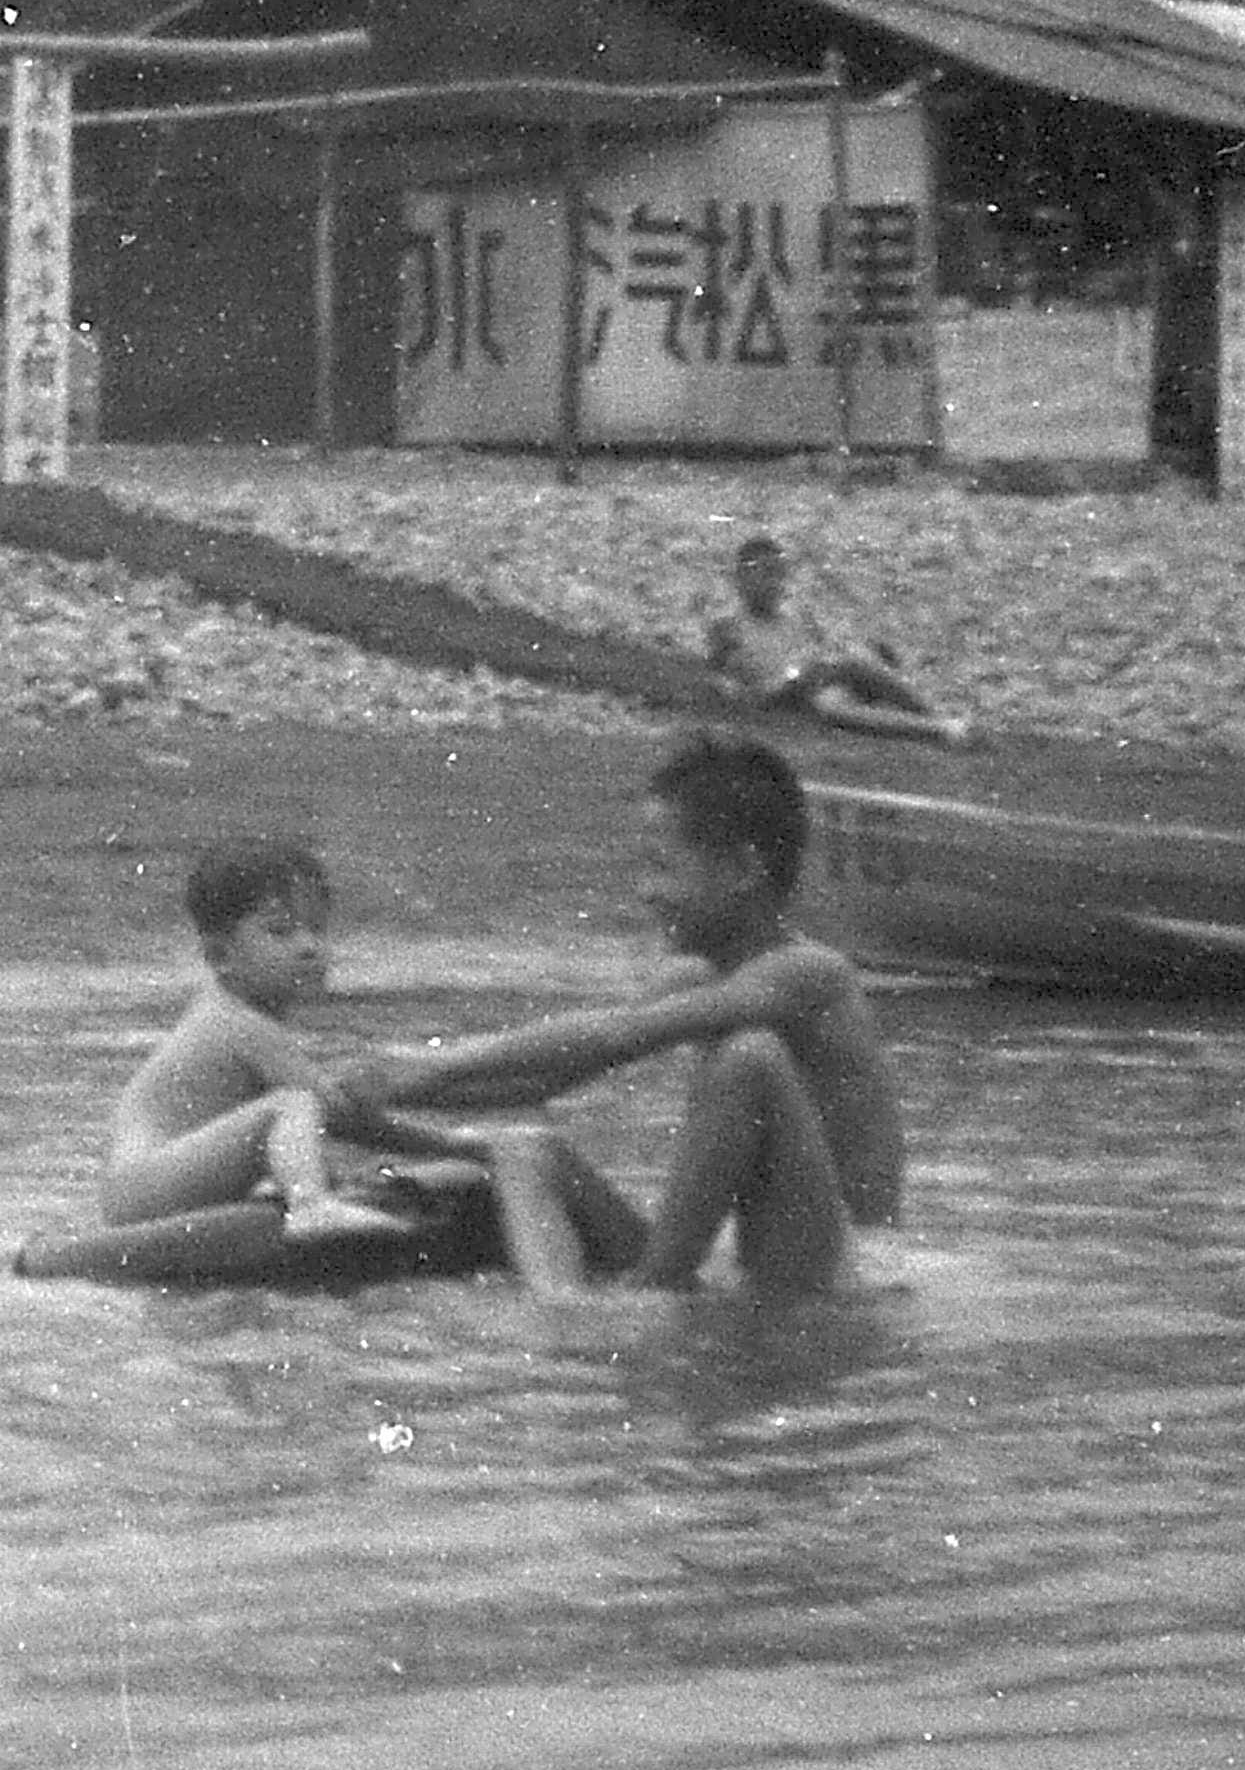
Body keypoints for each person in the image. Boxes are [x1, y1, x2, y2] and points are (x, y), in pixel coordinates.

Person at [332, 728, 906, 1296]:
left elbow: (616, 1033)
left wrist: (432, 1063)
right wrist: (371, 1095)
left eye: (661, 867)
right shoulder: (698, 977)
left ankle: (652, 1293)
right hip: (745, 1253)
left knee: (747, 1058)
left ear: (741, 872)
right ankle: (561, 1313)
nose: (645, 892)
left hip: (843, 1264)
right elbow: (550, 1075)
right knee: (528, 1149)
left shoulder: (810, 974)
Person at [103, 838, 640, 1279]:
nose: (310, 947)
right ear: (220, 956)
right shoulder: (235, 1021)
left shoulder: (245, 1018)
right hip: (145, 1188)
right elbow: (338, 1115)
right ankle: (310, 1205)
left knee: (291, 1113)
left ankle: (312, 1195)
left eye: (317, 929)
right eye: (281, 931)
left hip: (153, 1185)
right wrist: (461, 1147)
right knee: (289, 1106)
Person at [702, 531, 970, 747]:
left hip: (820, 676)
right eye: (764, 574)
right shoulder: (728, 625)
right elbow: (722, 677)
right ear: (740, 579)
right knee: (830, 706)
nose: (774, 584)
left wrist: (824, 661)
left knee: (856, 664)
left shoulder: (796, 615)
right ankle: (935, 729)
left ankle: (939, 717)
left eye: (779, 574)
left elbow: (823, 648)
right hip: (788, 690)